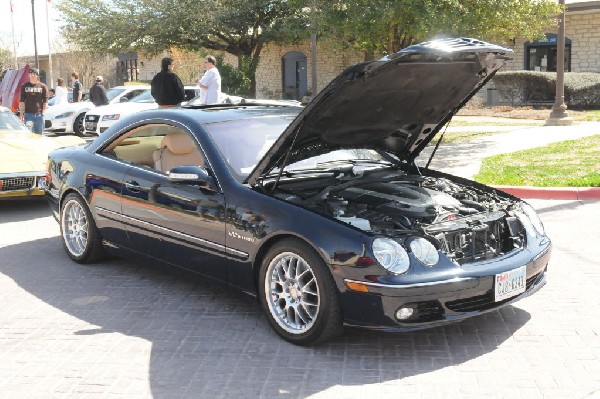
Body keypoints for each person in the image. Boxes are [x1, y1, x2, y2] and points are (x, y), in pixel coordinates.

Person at [18, 67, 48, 134]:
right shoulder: (24, 86)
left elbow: (45, 101)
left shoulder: (43, 86)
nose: (32, 75)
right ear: (29, 75)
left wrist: (43, 113)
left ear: (37, 75)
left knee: (40, 135)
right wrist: (21, 114)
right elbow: (22, 101)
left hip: (39, 115)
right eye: (31, 73)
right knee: (29, 134)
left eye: (34, 74)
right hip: (28, 115)